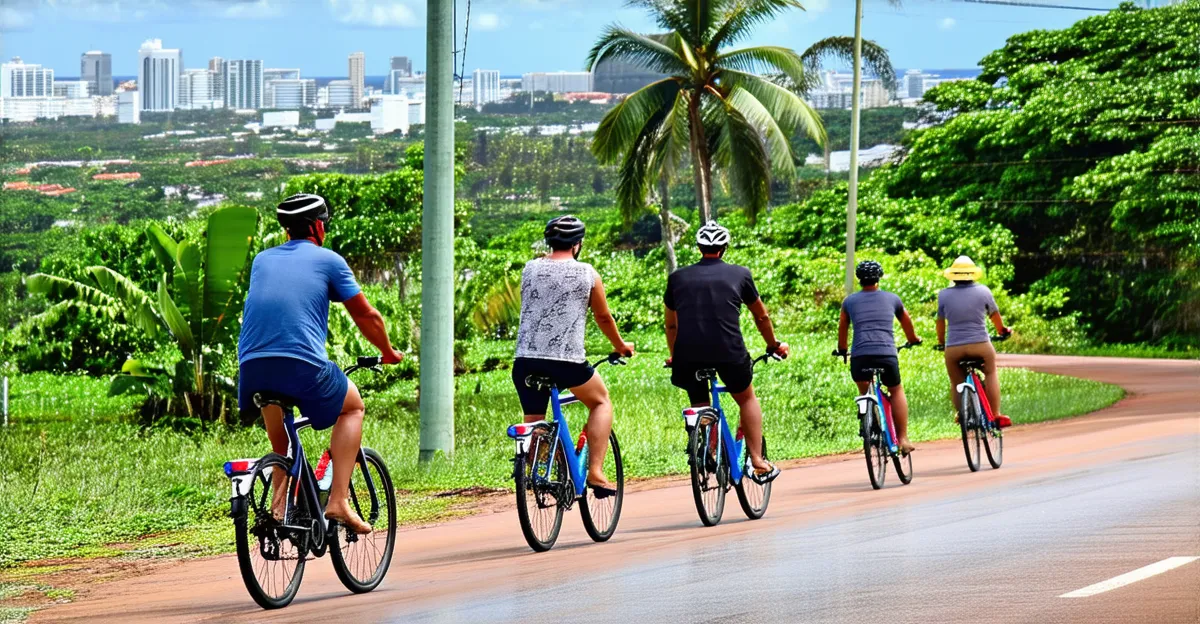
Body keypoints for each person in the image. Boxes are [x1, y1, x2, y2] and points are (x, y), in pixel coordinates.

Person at [238, 193, 404, 534]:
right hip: (300, 365)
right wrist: (388, 352)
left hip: (252, 367)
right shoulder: (329, 260)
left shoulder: (261, 261)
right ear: (317, 226)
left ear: (286, 230)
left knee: (281, 445)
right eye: (324, 224)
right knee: (352, 407)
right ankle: (339, 500)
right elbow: (366, 315)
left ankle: (279, 508)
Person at [512, 215, 635, 498]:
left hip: (525, 363)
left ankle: (537, 470)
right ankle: (596, 472)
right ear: (578, 244)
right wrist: (620, 346)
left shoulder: (530, 269)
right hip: (566, 362)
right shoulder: (587, 274)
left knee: (534, 417)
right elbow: (603, 317)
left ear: (549, 242)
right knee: (601, 401)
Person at [664, 221, 789, 484]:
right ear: (724, 248)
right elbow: (761, 316)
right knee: (746, 399)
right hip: (729, 352)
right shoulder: (740, 274)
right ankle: (757, 460)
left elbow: (672, 323)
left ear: (699, 248)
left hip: (688, 355)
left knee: (699, 402)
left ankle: (706, 448)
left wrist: (675, 355)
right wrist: (773, 344)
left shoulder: (677, 278)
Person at [835, 260, 922, 454]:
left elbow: (843, 327)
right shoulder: (893, 299)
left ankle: (867, 418)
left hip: (860, 357)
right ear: (879, 277)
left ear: (859, 279)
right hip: (886, 355)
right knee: (896, 390)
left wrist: (842, 349)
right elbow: (907, 323)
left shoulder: (849, 302)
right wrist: (913, 339)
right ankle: (903, 439)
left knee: (864, 388)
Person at [935, 255, 1013, 428]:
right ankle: (995, 414)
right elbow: (995, 316)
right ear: (972, 274)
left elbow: (940, 322)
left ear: (953, 275)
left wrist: (941, 342)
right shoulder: (984, 291)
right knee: (991, 372)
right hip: (981, 345)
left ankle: (961, 412)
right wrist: (1002, 330)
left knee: (956, 382)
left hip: (953, 348)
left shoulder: (944, 295)